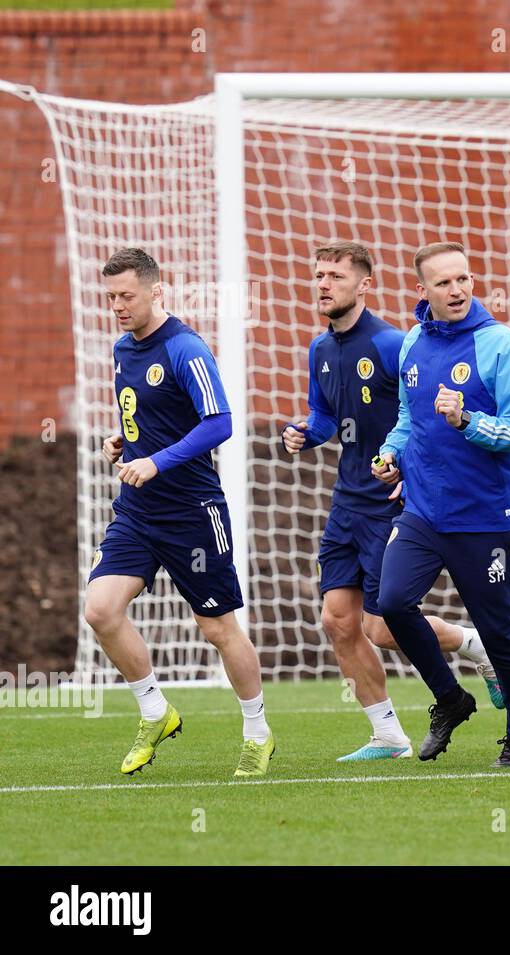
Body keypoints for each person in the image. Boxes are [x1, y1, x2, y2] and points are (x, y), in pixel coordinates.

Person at [281, 241, 504, 762]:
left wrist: (409, 470)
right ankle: (388, 735)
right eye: (318, 275)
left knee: (382, 627)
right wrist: (303, 435)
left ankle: (475, 647)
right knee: (338, 620)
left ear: (364, 285)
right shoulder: (320, 350)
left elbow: (421, 419)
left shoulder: (392, 344)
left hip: (391, 501)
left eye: (335, 275)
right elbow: (324, 419)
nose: (323, 284)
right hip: (348, 503)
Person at [88, 247, 274, 777]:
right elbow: (148, 416)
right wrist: (123, 443)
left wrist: (156, 460)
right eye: (111, 298)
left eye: (126, 296)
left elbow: (219, 423)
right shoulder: (123, 349)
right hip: (138, 512)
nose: (118, 306)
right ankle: (156, 711)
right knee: (100, 610)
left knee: (217, 629)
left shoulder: (186, 347)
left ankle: (257, 733)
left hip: (193, 512)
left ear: (156, 291)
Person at [373, 242, 510, 767]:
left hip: (486, 517)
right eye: (444, 282)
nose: (458, 290)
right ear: (422, 291)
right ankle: (450, 698)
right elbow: (407, 416)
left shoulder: (501, 345)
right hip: (423, 512)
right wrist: (388, 452)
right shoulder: (412, 343)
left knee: (496, 633)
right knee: (393, 602)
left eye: (464, 278)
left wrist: (468, 421)